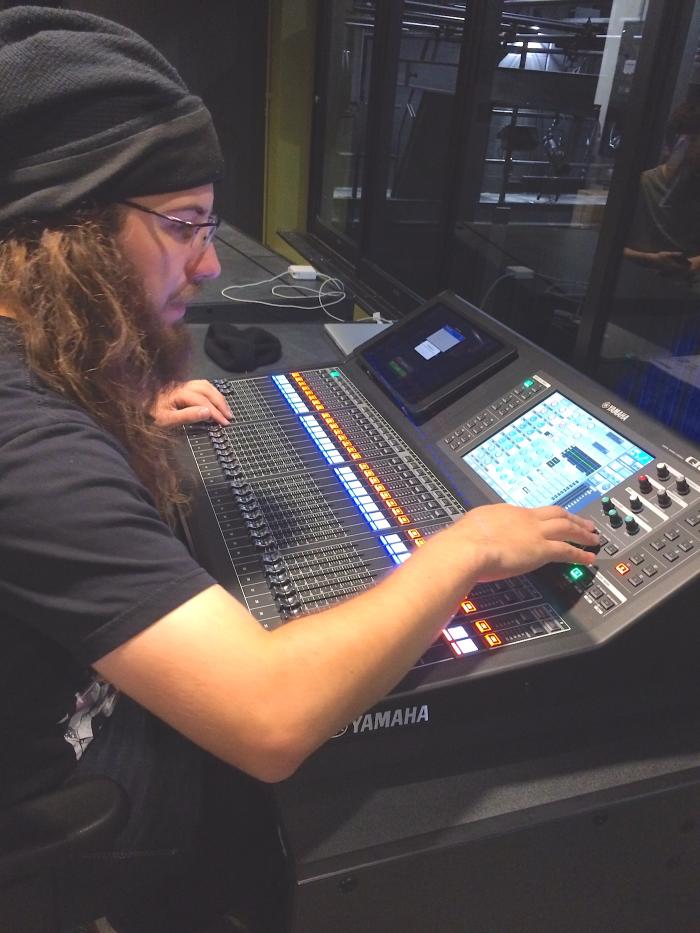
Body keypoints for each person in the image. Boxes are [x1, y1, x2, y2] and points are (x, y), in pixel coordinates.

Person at [0, 7, 599, 932]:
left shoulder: (34, 390)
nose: (209, 265)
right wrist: (465, 548)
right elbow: (271, 718)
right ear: (65, 230)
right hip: (75, 807)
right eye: (184, 226)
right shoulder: (31, 449)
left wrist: (117, 412)